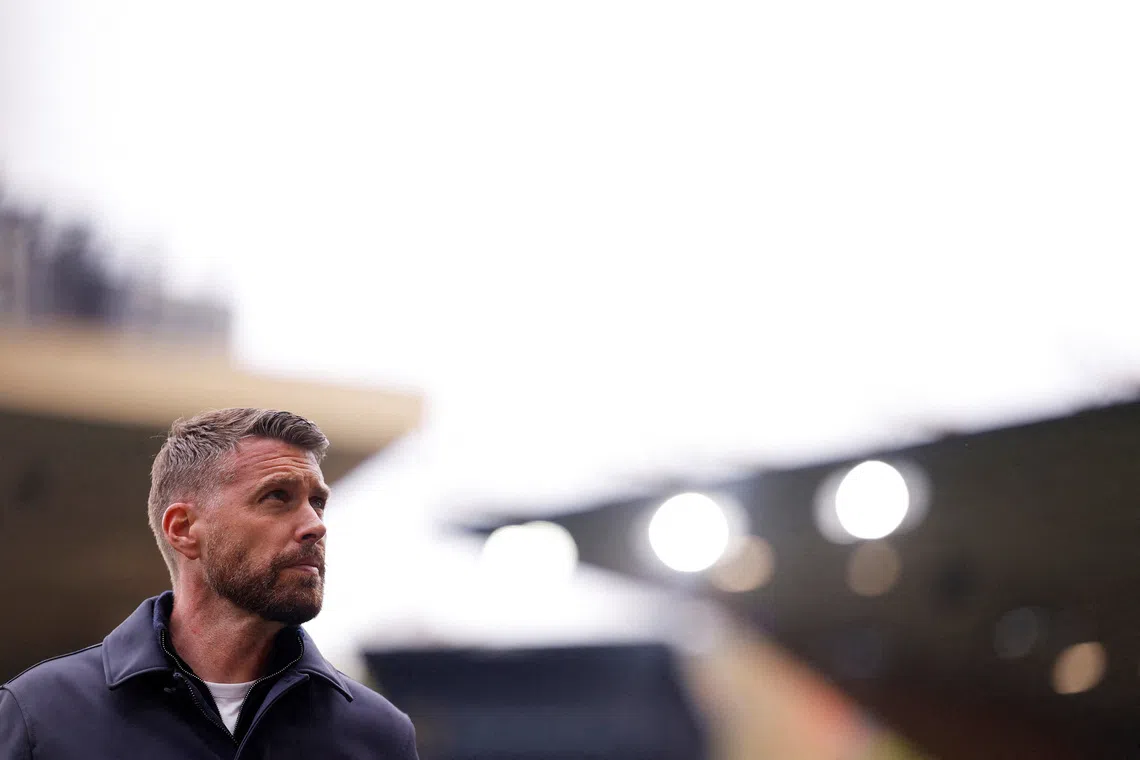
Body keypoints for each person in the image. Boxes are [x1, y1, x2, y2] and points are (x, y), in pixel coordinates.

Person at [0, 408, 418, 759]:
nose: (314, 525)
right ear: (183, 529)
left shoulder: (379, 735)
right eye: (277, 496)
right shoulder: (40, 714)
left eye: (318, 502)